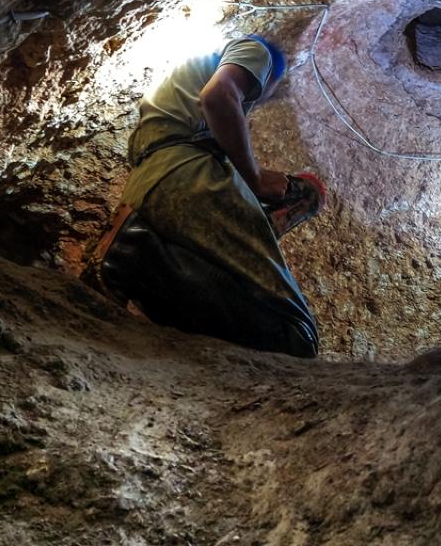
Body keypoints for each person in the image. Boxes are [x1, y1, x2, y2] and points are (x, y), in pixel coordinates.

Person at [93, 35, 326, 358]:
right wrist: (256, 179)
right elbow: (219, 96)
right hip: (189, 176)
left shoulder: (176, 95)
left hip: (149, 188)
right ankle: (141, 256)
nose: (259, 98)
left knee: (217, 314)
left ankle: (140, 258)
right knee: (299, 337)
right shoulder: (258, 52)